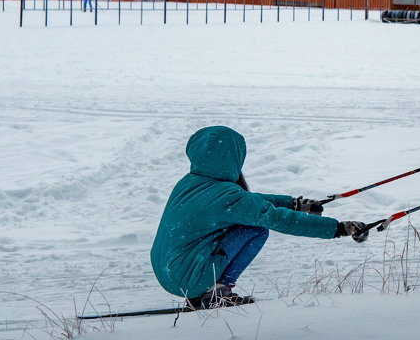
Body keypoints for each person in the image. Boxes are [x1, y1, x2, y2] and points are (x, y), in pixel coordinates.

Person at [150, 125, 369, 308]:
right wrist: (338, 229)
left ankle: (204, 292)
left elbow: (247, 202)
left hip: (168, 272)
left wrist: (295, 204)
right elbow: (274, 217)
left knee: (245, 223)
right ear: (234, 156)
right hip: (189, 277)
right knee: (256, 230)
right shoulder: (226, 196)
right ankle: (215, 294)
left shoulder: (191, 183)